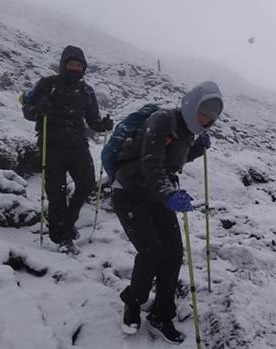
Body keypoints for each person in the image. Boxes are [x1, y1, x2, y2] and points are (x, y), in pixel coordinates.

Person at [112, 81, 222, 343]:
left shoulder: (186, 131)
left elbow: (173, 159)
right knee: (152, 251)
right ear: (192, 104)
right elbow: (152, 162)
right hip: (129, 192)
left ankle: (161, 314)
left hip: (157, 194)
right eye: (203, 112)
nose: (206, 119)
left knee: (173, 252)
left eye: (211, 116)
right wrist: (170, 194)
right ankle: (133, 304)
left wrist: (197, 148)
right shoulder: (162, 120)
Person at [22, 45, 113, 253]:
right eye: (71, 64)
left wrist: (103, 125)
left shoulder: (86, 90)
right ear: (63, 64)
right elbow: (27, 110)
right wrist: (38, 109)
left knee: (88, 182)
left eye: (79, 65)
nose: (75, 68)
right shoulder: (47, 84)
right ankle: (60, 235)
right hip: (51, 145)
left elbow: (93, 120)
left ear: (84, 68)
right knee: (56, 192)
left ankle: (68, 222)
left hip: (78, 144)